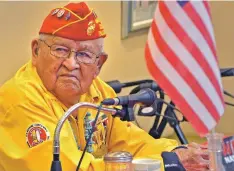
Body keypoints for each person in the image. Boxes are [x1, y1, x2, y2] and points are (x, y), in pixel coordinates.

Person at [0, 2, 209, 171]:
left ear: (99, 64)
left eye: (83, 54)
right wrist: (169, 163)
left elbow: (130, 144)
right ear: (36, 51)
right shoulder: (19, 101)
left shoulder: (97, 91)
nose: (71, 64)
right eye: (60, 50)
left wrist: (179, 151)